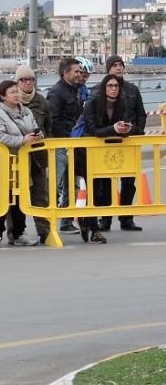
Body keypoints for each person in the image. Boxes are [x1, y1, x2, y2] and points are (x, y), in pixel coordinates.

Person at [0, 80, 42, 247]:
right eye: (12, 92)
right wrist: (22, 140)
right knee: (1, 198)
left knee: (19, 199)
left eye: (17, 91)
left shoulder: (26, 111)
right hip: (3, 164)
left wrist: (37, 136)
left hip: (22, 162)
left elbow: (35, 127)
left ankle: (19, 233)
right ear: (2, 96)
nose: (17, 95)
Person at [81, 73, 134, 244]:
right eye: (110, 86)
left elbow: (124, 125)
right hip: (88, 152)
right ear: (104, 88)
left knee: (106, 193)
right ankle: (94, 229)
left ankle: (86, 220)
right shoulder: (92, 103)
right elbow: (91, 129)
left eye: (116, 86)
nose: (113, 89)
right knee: (95, 190)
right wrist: (114, 129)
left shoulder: (122, 103)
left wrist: (126, 129)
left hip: (109, 154)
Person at [96, 55, 144, 232]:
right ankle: (105, 219)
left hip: (128, 141)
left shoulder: (132, 90)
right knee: (105, 182)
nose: (118, 68)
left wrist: (137, 132)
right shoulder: (99, 90)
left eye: (120, 65)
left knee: (129, 182)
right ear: (108, 69)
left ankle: (126, 219)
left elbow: (141, 113)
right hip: (106, 141)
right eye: (114, 65)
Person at [15, 65, 52, 241]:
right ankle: (15, 232)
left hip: (38, 157)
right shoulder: (10, 101)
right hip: (16, 157)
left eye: (31, 79)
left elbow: (49, 128)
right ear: (17, 82)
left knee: (40, 195)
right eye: (23, 79)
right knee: (15, 197)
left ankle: (44, 231)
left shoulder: (42, 102)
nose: (28, 83)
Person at [47, 57, 83, 234]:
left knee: (73, 184)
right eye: (76, 71)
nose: (80, 74)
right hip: (60, 145)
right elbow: (53, 119)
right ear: (65, 73)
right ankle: (48, 222)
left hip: (72, 144)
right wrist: (68, 137)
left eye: (80, 71)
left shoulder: (74, 90)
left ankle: (66, 221)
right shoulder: (56, 92)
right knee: (55, 184)